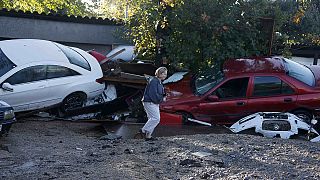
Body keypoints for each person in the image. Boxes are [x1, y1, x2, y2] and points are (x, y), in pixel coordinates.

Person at [139, 67, 167, 141]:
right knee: (156, 119)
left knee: (152, 119)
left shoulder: (159, 81)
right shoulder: (154, 81)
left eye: (165, 74)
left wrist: (163, 96)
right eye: (163, 73)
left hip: (153, 102)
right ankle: (143, 130)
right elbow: (153, 94)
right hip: (150, 102)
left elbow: (159, 93)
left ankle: (148, 136)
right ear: (158, 73)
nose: (164, 75)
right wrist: (161, 99)